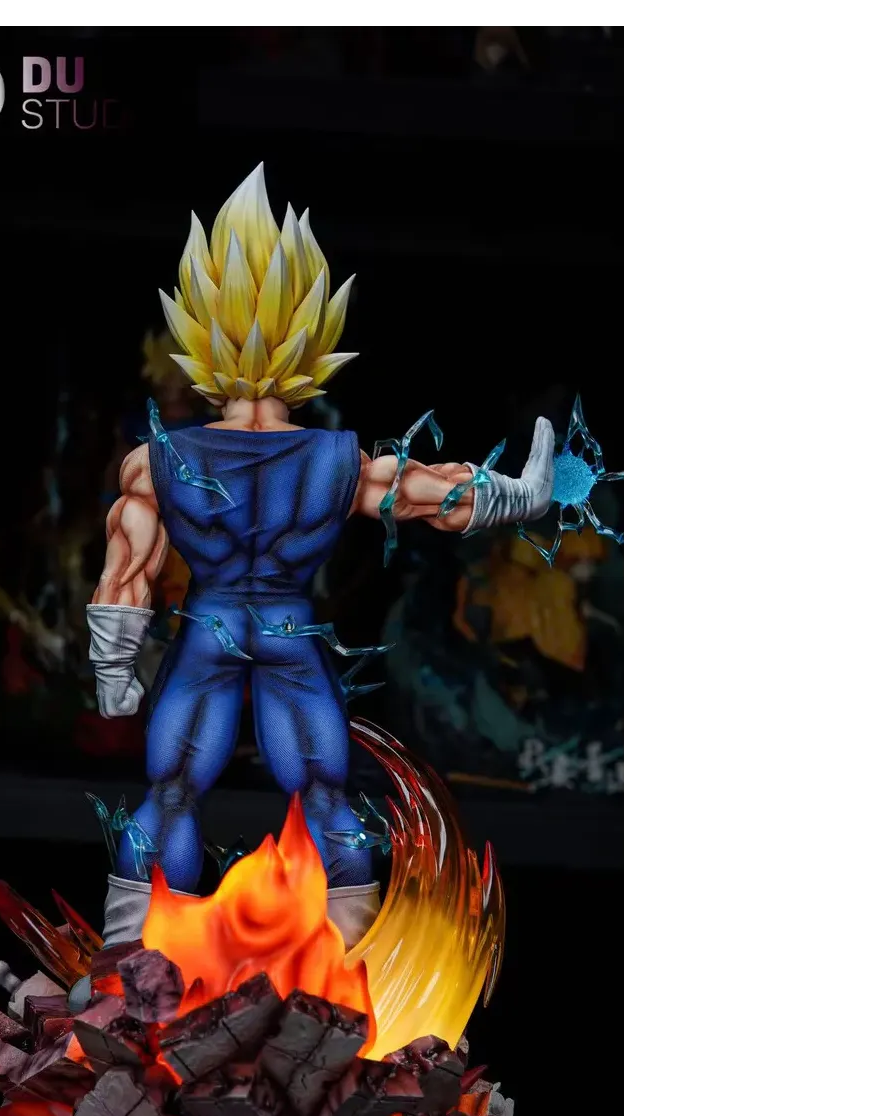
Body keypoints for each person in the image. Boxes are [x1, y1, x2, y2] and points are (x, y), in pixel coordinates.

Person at [86, 165, 557, 947]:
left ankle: (129, 955)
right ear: (314, 335)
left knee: (170, 792)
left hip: (209, 628)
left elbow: (125, 572)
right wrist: (519, 494)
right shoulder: (335, 462)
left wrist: (113, 671)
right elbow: (427, 493)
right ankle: (348, 964)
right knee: (325, 796)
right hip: (288, 630)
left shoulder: (159, 461)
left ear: (198, 333)